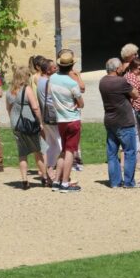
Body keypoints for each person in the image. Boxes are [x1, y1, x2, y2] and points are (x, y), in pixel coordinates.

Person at [99, 57, 140, 188]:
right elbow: (135, 94)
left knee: (111, 153)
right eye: (121, 67)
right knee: (129, 152)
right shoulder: (121, 82)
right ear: (117, 69)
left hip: (110, 120)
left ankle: (115, 182)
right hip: (124, 121)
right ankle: (129, 182)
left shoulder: (102, 81)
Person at [6, 66, 47, 190]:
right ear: (26, 76)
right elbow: (35, 108)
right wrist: (40, 122)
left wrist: (13, 120)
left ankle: (24, 180)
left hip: (16, 124)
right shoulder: (27, 89)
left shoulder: (9, 90)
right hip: (28, 124)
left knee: (22, 152)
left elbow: (8, 108)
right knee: (38, 150)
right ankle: (45, 178)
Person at [50, 49, 84, 193]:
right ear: (71, 66)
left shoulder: (52, 78)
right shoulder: (72, 83)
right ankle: (65, 182)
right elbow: (81, 103)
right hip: (72, 119)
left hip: (60, 119)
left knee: (63, 150)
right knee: (70, 151)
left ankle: (57, 180)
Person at [37, 58, 62, 185]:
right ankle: (57, 172)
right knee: (60, 143)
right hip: (52, 116)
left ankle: (49, 169)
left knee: (51, 144)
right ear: (47, 70)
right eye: (53, 68)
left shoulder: (40, 80)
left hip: (45, 116)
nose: (56, 69)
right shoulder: (48, 82)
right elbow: (54, 99)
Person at [126, 57, 140, 171]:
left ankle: (137, 161)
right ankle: (138, 162)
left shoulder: (130, 76)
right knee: (138, 135)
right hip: (136, 109)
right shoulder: (132, 78)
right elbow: (136, 96)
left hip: (134, 109)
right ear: (133, 68)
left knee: (137, 135)